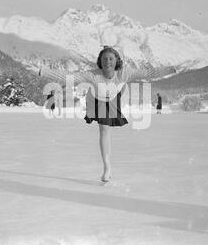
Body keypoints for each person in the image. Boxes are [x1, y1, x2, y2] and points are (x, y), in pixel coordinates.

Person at [40, 46, 176, 183]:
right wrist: (45, 72)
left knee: (121, 89)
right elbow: (70, 77)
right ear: (100, 61)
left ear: (116, 61)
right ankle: (107, 167)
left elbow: (148, 73)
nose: (108, 62)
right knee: (104, 130)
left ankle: (118, 94)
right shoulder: (93, 74)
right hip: (95, 98)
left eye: (111, 58)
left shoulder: (124, 73)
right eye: (104, 59)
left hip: (113, 95)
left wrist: (170, 69)